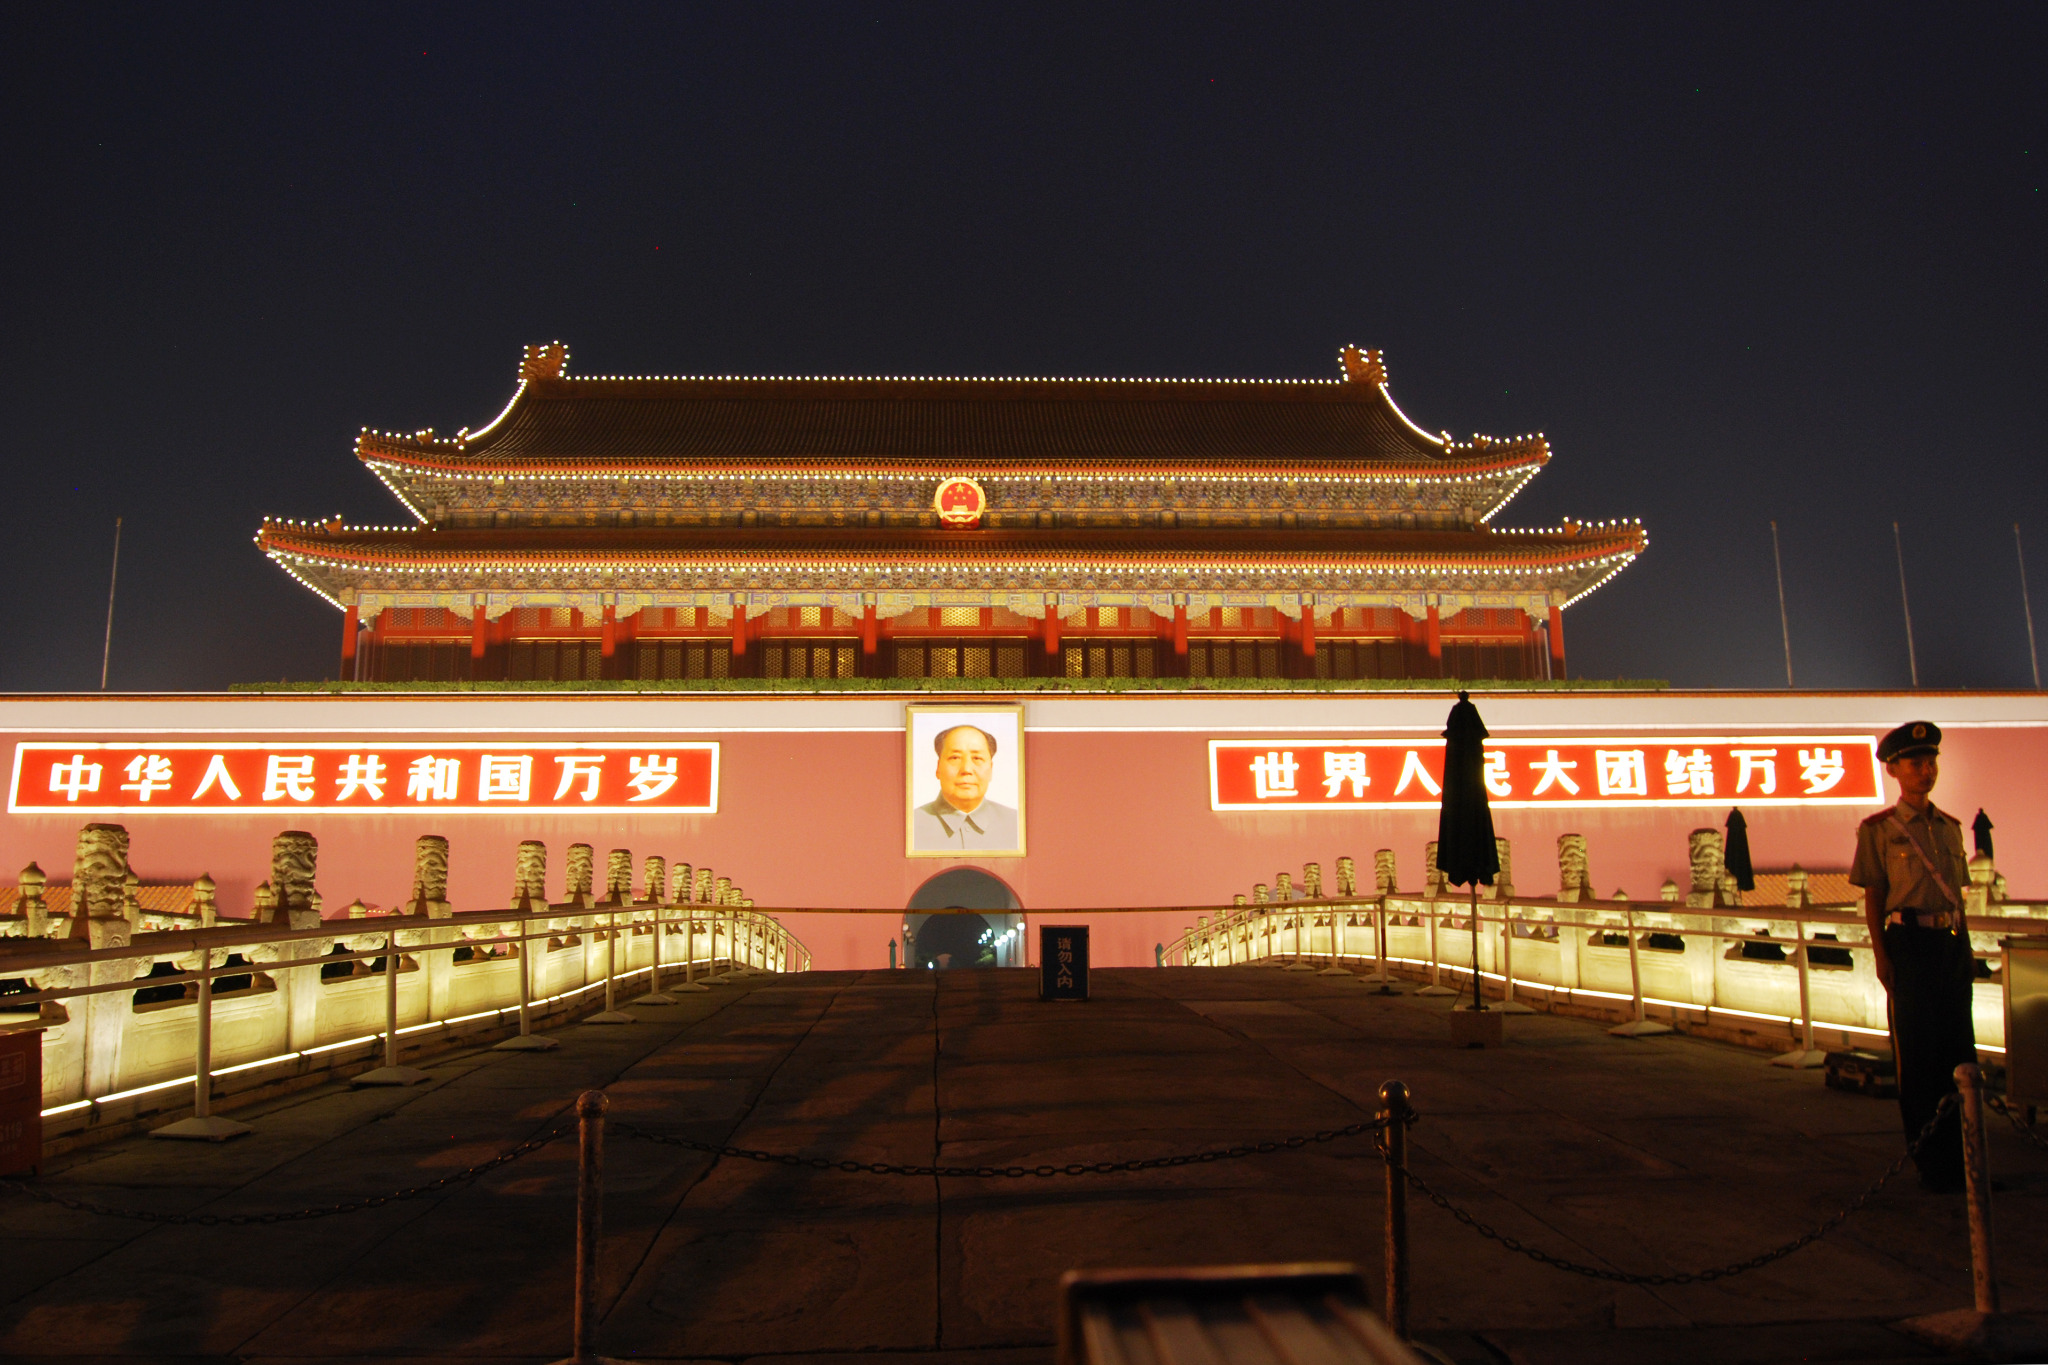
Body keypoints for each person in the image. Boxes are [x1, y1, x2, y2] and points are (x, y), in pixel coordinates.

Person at [1848, 720, 1976, 1192]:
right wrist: (1882, 957)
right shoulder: (1879, 830)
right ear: (1894, 770)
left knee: (1960, 1053)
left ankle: (1967, 1163)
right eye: (1916, 763)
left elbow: (1958, 898)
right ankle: (1931, 1165)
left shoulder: (1951, 828)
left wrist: (1965, 947)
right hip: (1909, 944)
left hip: (1950, 944)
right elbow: (1875, 897)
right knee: (1919, 1058)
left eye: (1931, 761)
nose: (1926, 770)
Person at [911, 723, 1020, 852]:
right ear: (938, 768)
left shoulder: (1018, 824)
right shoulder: (910, 825)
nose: (966, 769)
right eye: (955, 758)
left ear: (991, 769)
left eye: (977, 758)